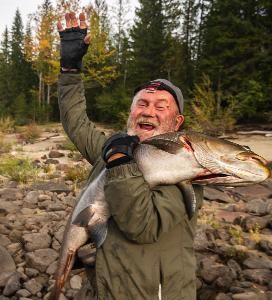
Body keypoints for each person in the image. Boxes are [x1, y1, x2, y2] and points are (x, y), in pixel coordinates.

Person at [57, 11, 203, 300]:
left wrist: (120, 164)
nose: (148, 111)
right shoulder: (114, 151)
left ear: (177, 123)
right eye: (142, 104)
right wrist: (70, 70)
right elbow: (76, 122)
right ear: (131, 113)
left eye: (161, 106)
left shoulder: (186, 168)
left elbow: (142, 227)